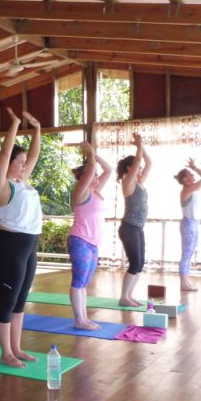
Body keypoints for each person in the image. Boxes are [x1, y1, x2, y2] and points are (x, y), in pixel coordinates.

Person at [0, 107, 43, 368]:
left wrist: (37, 129)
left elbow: (34, 154)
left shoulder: (23, 182)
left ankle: (17, 347)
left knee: (21, 299)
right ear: (8, 164)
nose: (24, 165)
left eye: (24, 163)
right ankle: (5, 352)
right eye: (19, 162)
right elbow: (3, 154)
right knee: (8, 299)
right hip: (10, 246)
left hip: (29, 244)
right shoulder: (2, 186)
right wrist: (14, 125)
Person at [67, 141, 112, 329]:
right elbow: (93, 168)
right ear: (85, 178)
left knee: (84, 282)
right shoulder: (81, 192)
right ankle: (79, 320)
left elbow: (109, 170)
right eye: (92, 176)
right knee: (78, 281)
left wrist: (95, 154)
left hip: (93, 244)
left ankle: (84, 318)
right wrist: (90, 154)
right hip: (80, 241)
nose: (96, 179)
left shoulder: (95, 191)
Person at [116, 132, 152, 307]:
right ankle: (124, 297)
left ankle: (129, 296)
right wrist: (139, 146)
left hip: (138, 228)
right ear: (129, 169)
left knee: (140, 264)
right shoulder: (127, 181)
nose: (139, 168)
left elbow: (149, 163)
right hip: (129, 227)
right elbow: (139, 162)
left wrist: (141, 147)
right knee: (135, 262)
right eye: (136, 167)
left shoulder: (139, 182)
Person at [174, 158, 201, 291]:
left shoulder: (192, 189)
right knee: (186, 254)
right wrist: (194, 167)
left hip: (193, 223)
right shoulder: (187, 190)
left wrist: (194, 168)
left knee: (189, 254)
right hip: (188, 223)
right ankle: (183, 283)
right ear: (184, 179)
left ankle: (186, 282)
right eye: (190, 174)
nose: (193, 176)